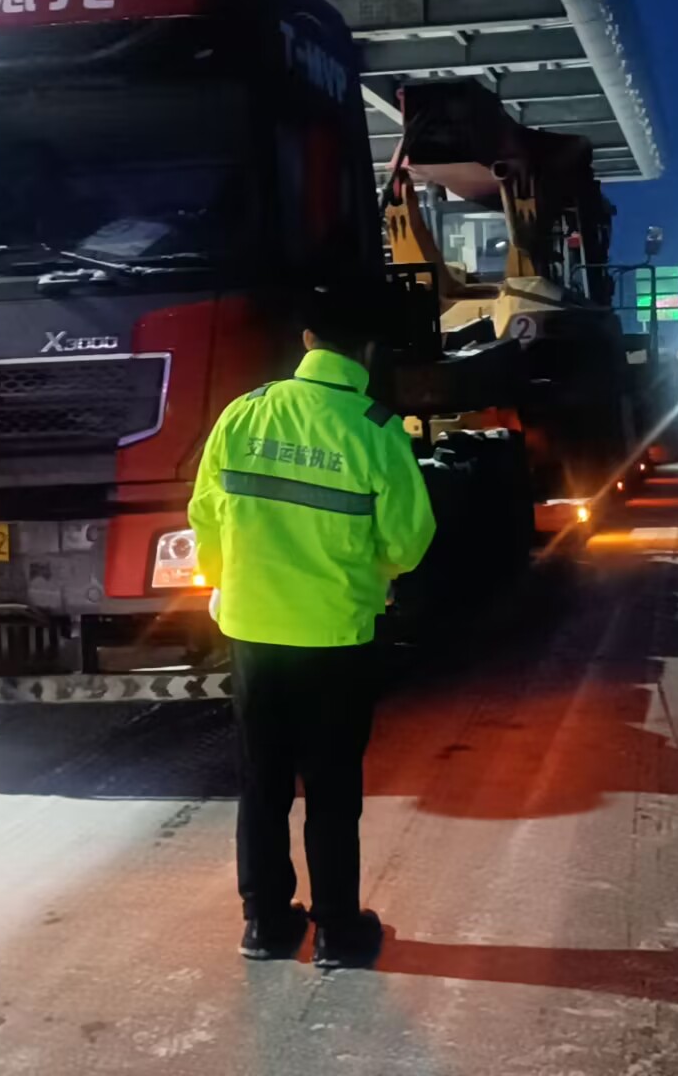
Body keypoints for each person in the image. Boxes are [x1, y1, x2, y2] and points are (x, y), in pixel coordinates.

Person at [190, 285, 436, 969]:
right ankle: (337, 932)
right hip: (336, 636)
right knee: (331, 789)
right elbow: (409, 541)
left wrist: (225, 581)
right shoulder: (375, 428)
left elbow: (204, 515)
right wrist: (372, 571)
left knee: (262, 781)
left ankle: (266, 925)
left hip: (252, 630)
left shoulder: (244, 413)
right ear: (366, 351)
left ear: (307, 341)